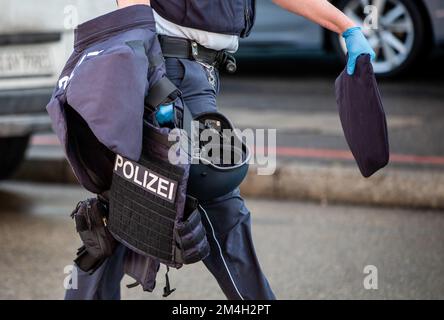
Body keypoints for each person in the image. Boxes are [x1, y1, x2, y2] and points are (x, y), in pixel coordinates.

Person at [65, 0, 375, 300]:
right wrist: (152, 75)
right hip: (170, 70)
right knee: (217, 200)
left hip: (199, 73)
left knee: (130, 202)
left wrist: (346, 27)